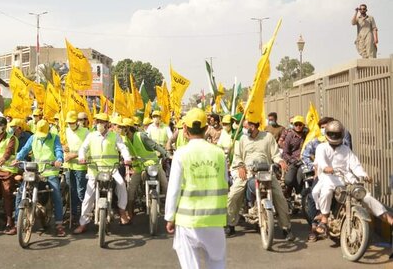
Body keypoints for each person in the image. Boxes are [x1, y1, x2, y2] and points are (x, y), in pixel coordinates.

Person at [165, 108, 228, 269]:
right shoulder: (219, 153)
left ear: (184, 129)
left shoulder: (181, 153)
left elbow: (174, 189)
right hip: (215, 219)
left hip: (188, 221)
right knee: (217, 262)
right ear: (207, 128)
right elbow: (225, 182)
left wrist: (170, 217)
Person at [312, 120, 393, 234]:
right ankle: (324, 218)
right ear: (327, 134)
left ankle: (389, 220)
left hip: (347, 178)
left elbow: (355, 165)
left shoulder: (346, 149)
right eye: (332, 134)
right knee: (326, 191)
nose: (334, 136)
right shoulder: (321, 147)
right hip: (328, 177)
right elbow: (321, 161)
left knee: (366, 196)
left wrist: (364, 175)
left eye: (337, 134)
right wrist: (326, 168)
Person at [225, 113, 295, 241]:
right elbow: (237, 156)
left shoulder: (268, 137)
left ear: (254, 126)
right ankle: (230, 224)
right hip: (247, 173)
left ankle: (286, 228)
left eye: (247, 126)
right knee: (233, 195)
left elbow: (275, 154)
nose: (245, 129)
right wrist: (240, 166)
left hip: (266, 172)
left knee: (280, 197)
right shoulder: (243, 140)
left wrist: (280, 161)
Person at [73, 113, 132, 234]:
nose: (99, 123)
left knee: (121, 184)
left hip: (111, 169)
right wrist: (81, 157)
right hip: (95, 170)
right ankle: (83, 224)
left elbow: (123, 148)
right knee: (88, 197)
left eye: (102, 121)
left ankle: (122, 212)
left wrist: (127, 158)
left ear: (107, 124)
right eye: (98, 121)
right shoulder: (91, 136)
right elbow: (83, 148)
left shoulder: (115, 136)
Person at [13, 119, 66, 237]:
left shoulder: (54, 137)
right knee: (20, 192)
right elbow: (25, 149)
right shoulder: (33, 137)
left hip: (49, 172)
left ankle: (59, 225)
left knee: (56, 195)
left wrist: (59, 159)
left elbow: (58, 150)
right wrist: (17, 158)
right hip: (35, 171)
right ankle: (17, 222)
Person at [122, 117, 169, 219]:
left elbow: (155, 146)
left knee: (165, 185)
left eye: (123, 127)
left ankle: (170, 210)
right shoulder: (124, 139)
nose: (121, 129)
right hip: (139, 168)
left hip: (153, 166)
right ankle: (129, 212)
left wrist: (166, 154)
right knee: (131, 189)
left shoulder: (141, 136)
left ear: (128, 128)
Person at [62, 111, 89, 225]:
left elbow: (88, 148)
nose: (70, 124)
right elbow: (62, 143)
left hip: (80, 166)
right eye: (68, 122)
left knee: (81, 192)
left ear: (77, 121)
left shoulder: (85, 131)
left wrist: (74, 155)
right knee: (71, 191)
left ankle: (84, 217)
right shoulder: (66, 130)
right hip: (69, 166)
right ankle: (74, 216)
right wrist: (64, 147)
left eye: (72, 122)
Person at [282, 116, 307, 198]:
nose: (298, 127)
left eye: (300, 124)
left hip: (305, 162)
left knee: (302, 179)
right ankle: (289, 192)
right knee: (289, 180)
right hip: (294, 162)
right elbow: (285, 152)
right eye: (296, 124)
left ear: (303, 125)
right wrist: (292, 160)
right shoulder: (290, 136)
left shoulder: (307, 135)